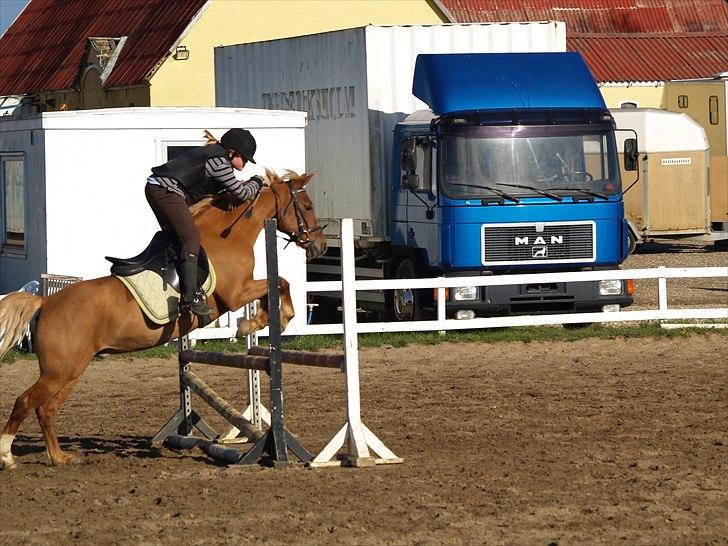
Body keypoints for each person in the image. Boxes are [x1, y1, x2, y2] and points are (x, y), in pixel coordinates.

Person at [145, 128, 265, 317]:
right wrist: (257, 182)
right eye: (244, 158)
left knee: (179, 238)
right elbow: (241, 194)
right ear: (232, 152)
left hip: (158, 188)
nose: (245, 164)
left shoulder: (216, 157)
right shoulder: (220, 163)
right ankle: (189, 299)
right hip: (165, 190)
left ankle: (171, 281)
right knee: (191, 237)